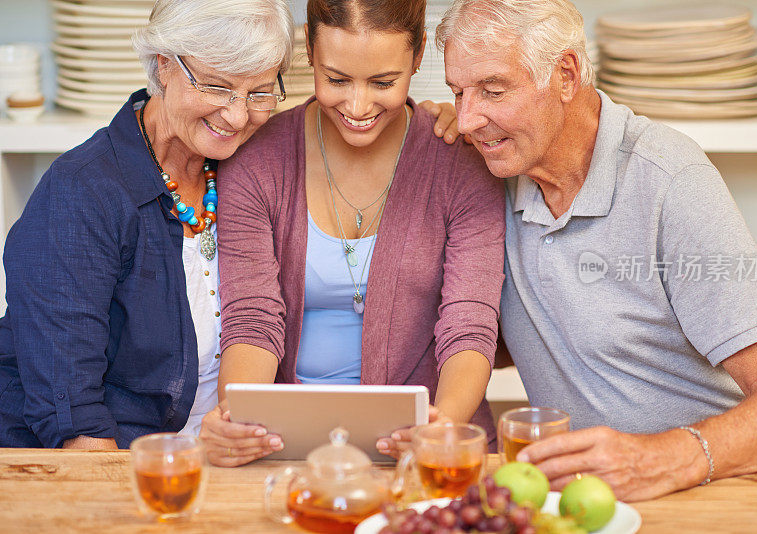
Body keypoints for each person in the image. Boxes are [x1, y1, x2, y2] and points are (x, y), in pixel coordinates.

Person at [0, 0, 460, 449]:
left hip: (228, 455)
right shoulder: (82, 194)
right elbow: (74, 419)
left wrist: (440, 117)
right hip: (127, 467)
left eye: (259, 92)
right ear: (164, 65)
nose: (238, 116)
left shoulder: (242, 162)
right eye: (218, 88)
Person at [436, 0, 757, 501]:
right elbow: (491, 337)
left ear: (565, 75)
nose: (468, 118)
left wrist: (662, 460)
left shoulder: (672, 182)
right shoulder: (490, 174)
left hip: (715, 484)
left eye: (492, 91)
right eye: (457, 92)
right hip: (592, 499)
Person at [199, 0, 506, 467]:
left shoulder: (460, 163)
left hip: (429, 445)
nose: (358, 107)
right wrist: (241, 415)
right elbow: (251, 319)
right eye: (337, 80)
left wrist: (443, 424)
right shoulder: (256, 161)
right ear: (308, 48)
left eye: (383, 82)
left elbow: (469, 324)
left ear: (419, 55)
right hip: (285, 445)